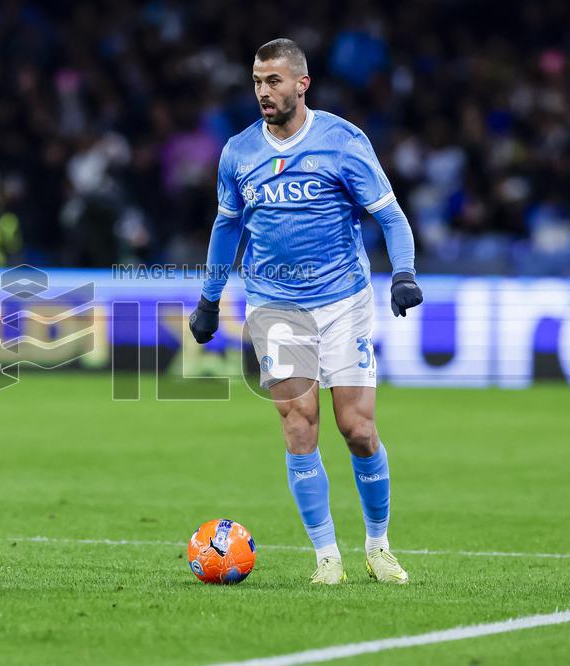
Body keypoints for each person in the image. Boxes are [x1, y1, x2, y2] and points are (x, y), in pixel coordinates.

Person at [188, 38, 423, 585]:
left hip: (343, 300)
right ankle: (327, 558)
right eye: (255, 81)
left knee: (358, 428)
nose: (262, 92)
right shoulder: (238, 152)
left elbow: (390, 216)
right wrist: (209, 297)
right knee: (299, 425)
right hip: (274, 305)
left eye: (273, 81)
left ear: (301, 84)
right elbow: (226, 228)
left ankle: (378, 545)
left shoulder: (343, 141)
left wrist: (405, 273)